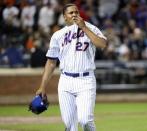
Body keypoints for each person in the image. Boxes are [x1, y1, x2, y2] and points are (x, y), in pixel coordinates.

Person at [35, 3, 107, 131]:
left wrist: (84, 27)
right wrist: (42, 87)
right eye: (71, 13)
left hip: (86, 80)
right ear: (64, 17)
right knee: (69, 125)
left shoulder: (91, 28)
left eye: (76, 12)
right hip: (66, 81)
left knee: (85, 120)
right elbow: (51, 63)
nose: (74, 14)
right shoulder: (57, 35)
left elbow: (102, 44)